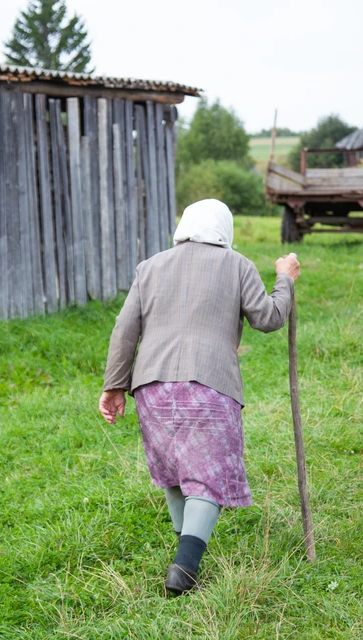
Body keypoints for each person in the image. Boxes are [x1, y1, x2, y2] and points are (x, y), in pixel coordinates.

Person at [99, 198, 301, 595]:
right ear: (225, 231)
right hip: (209, 386)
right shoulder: (237, 265)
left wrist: (114, 385)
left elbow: (125, 330)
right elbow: (269, 318)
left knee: (174, 470)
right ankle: (185, 566)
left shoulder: (151, 266)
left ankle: (183, 548)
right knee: (205, 478)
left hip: (151, 386)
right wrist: (285, 279)